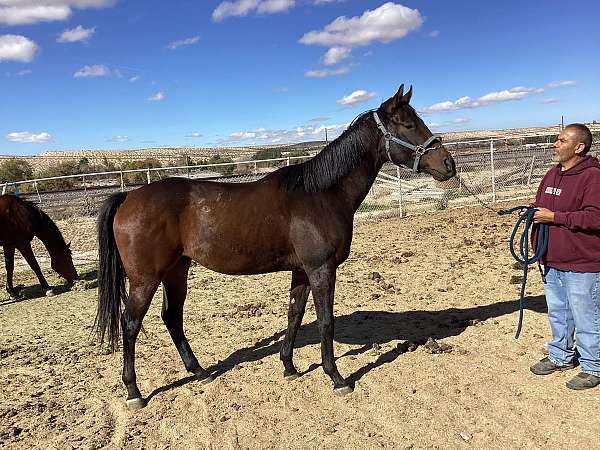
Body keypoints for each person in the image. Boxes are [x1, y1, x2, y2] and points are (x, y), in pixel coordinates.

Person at [529, 123, 600, 390]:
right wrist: (534, 214)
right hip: (553, 258)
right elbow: (542, 206)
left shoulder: (593, 177)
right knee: (558, 313)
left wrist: (555, 217)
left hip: (582, 261)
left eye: (561, 140)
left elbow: (595, 217)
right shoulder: (552, 174)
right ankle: (561, 356)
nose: (555, 144)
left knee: (587, 316)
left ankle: (593, 366)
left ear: (579, 147)